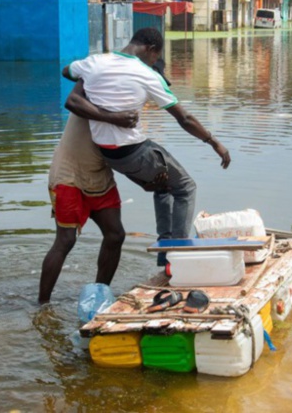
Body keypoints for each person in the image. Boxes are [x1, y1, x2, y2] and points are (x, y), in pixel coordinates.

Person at [62, 27, 231, 266]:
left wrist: (95, 80)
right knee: (186, 187)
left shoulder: (95, 62)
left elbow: (66, 71)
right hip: (134, 151)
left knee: (163, 186)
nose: (154, 63)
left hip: (109, 154)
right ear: (151, 49)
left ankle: (165, 254)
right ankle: (178, 256)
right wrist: (214, 142)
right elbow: (185, 119)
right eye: (155, 58)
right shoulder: (147, 74)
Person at [38, 80, 140, 304]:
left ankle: (99, 295)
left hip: (98, 175)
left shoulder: (125, 103)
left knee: (115, 235)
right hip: (69, 174)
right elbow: (72, 99)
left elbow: (125, 152)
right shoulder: (97, 88)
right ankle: (42, 305)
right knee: (65, 241)